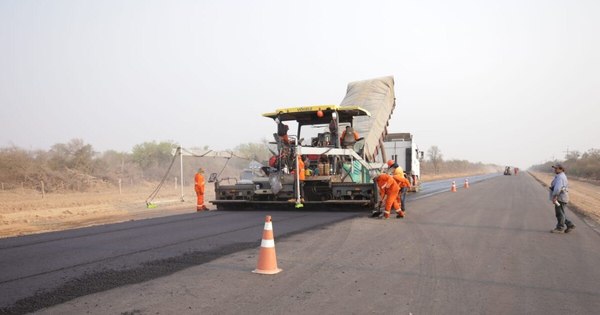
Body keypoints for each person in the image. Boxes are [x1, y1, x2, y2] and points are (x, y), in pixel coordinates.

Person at [549, 164, 575, 233]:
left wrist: (555, 197)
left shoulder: (560, 177)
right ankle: (570, 224)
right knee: (561, 212)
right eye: (555, 168)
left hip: (560, 198)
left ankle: (560, 228)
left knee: (559, 213)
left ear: (561, 169)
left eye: (556, 168)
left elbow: (558, 189)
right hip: (561, 197)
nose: (555, 170)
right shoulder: (560, 176)